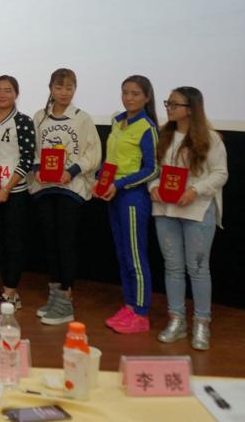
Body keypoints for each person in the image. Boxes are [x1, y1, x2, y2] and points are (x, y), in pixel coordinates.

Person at [151, 87, 228, 350]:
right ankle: (177, 319)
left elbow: (220, 173)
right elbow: (154, 170)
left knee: (198, 268)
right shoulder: (163, 134)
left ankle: (202, 322)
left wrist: (195, 190)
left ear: (191, 109)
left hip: (197, 210)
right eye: (168, 103)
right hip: (166, 210)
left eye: (174, 104)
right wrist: (153, 186)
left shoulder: (210, 138)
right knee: (173, 266)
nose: (169, 108)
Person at [28, 68, 101, 325]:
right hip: (45, 187)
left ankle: (66, 300)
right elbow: (34, 149)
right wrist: (38, 168)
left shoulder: (82, 118)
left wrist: (72, 171)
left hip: (71, 188)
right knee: (50, 242)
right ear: (50, 88)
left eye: (69, 88)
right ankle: (55, 296)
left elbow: (93, 153)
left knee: (65, 242)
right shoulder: (39, 117)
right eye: (59, 87)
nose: (64, 93)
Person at [100, 75, 159, 334]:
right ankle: (129, 305)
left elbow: (152, 168)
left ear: (147, 97)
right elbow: (110, 160)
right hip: (112, 194)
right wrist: (100, 180)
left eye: (135, 93)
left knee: (135, 255)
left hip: (132, 198)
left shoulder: (147, 127)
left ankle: (141, 313)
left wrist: (120, 184)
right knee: (122, 253)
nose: (129, 98)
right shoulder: (118, 120)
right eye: (125, 92)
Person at [0, 74, 36, 317]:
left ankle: (10, 295)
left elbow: (27, 159)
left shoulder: (23, 121)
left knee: (13, 243)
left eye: (8, 90)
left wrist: (7, 188)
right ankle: (8, 291)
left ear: (16, 94)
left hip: (14, 193)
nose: (2, 94)